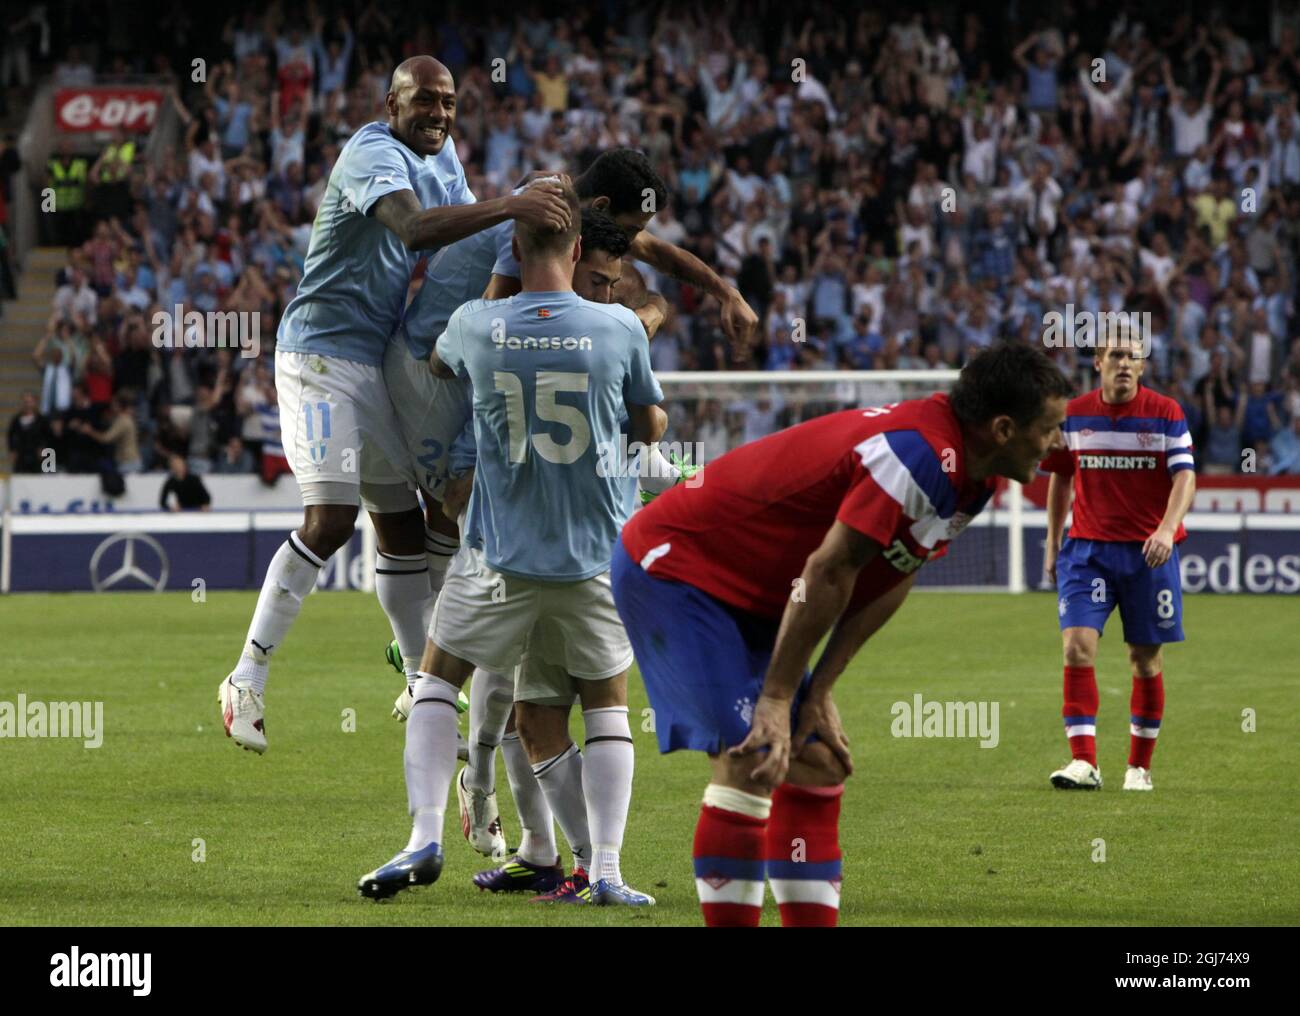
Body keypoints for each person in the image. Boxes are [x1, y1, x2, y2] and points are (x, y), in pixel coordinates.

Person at [610, 343, 1072, 927]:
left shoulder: (975, 479)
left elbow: (893, 572)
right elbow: (828, 571)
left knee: (821, 760)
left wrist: (821, 688)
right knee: (756, 754)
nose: (1057, 443)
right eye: (1050, 429)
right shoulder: (916, 457)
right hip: (678, 567)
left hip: (753, 592)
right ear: (1003, 428)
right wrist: (778, 698)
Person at [217, 55, 572, 755]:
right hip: (317, 354)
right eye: (424, 101)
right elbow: (414, 230)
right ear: (391, 104)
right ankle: (245, 677)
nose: (438, 113)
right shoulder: (371, 151)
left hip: (377, 358)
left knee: (404, 529)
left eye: (448, 101)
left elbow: (475, 240)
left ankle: (420, 678)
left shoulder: (447, 165)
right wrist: (513, 203)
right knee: (330, 520)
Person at [357, 178, 665, 906]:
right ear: (581, 249)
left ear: (515, 247)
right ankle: (610, 872)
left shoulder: (475, 324)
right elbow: (650, 427)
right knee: (608, 709)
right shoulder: (618, 328)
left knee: (435, 683)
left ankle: (426, 832)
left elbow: (436, 365)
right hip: (591, 556)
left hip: (498, 553)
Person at [1041, 331, 1196, 793]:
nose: (1125, 363)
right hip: (1087, 551)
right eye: (1116, 355)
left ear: (1143, 366)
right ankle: (1083, 762)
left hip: (1148, 553)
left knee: (1144, 658)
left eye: (1133, 356)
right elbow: (1060, 480)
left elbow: (1185, 476)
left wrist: (1167, 529)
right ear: (1098, 363)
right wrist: (1052, 543)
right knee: (1076, 647)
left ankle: (1138, 768)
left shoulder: (1166, 413)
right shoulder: (1075, 414)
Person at [8, 391, 53, 473]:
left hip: (37, 455)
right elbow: (11, 435)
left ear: (35, 403)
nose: (28, 404)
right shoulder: (16, 420)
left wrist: (44, 448)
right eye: (25, 402)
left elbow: (48, 436)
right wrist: (12, 450)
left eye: (30, 402)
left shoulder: (42, 420)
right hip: (21, 455)